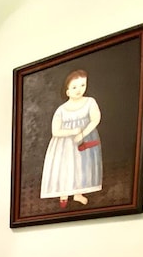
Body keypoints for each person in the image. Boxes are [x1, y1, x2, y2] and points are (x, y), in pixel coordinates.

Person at [40, 69, 102, 208]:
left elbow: (95, 119)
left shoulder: (90, 102)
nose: (79, 90)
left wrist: (82, 134)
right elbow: (55, 131)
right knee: (66, 168)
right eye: (74, 87)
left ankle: (78, 193)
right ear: (67, 91)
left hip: (84, 140)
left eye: (82, 85)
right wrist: (72, 131)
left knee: (82, 167)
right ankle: (64, 194)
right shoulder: (61, 110)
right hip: (64, 145)